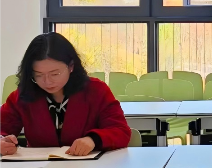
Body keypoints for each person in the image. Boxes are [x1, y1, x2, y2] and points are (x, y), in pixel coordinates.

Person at [0, 33, 131, 156]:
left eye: (55, 74)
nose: (47, 81)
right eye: (38, 75)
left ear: (71, 66)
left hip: (88, 167)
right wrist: (2, 141)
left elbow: (121, 131)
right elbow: (2, 128)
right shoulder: (23, 96)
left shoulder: (96, 91)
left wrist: (93, 140)